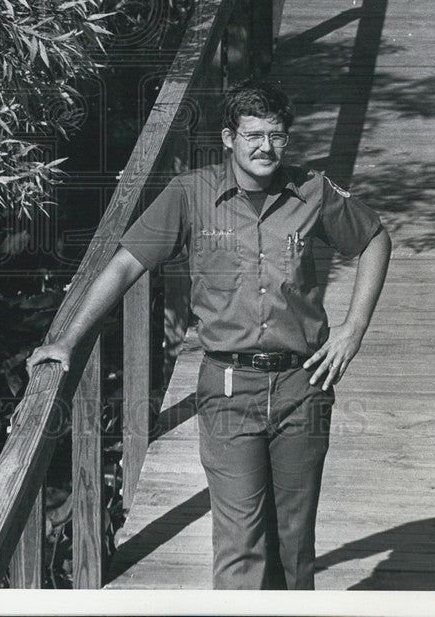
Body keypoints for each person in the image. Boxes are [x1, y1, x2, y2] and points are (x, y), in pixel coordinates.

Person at [26, 79, 391, 590]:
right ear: (228, 138)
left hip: (303, 386)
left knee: (293, 544)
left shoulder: (313, 191)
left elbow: (374, 238)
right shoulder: (190, 194)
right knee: (241, 546)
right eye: (253, 135)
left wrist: (354, 328)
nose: (266, 147)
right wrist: (67, 338)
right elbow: (126, 265)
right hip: (228, 389)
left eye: (278, 136)